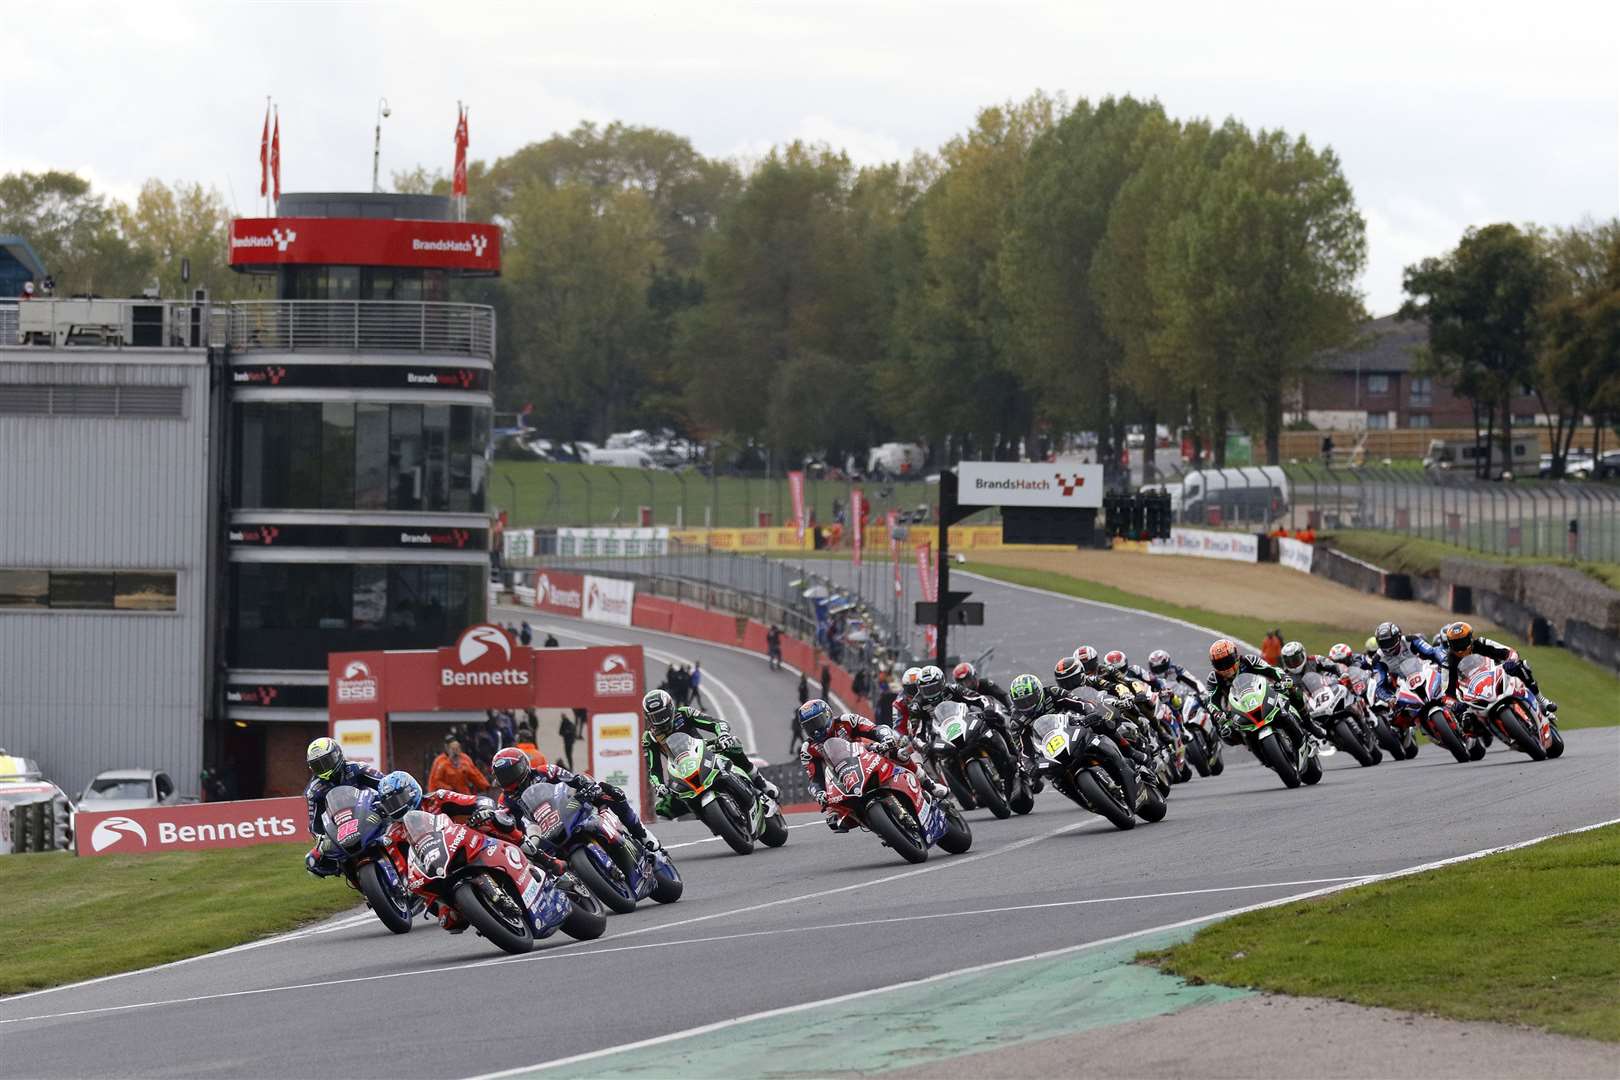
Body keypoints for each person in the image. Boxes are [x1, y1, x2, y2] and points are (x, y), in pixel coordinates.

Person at [370, 771, 564, 934]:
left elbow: (476, 801)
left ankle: (544, 859)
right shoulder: (393, 835)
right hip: (435, 868)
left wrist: (483, 809)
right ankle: (486, 915)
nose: (397, 807)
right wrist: (405, 886)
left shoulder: (437, 799)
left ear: (412, 791)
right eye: (390, 804)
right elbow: (402, 867)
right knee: (451, 922)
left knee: (494, 822)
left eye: (399, 799)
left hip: (467, 841)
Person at [796, 699, 945, 831]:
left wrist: (886, 738)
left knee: (898, 753)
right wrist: (820, 793)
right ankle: (881, 827)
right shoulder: (808, 749)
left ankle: (929, 785)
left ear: (828, 715)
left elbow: (874, 729)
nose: (816, 729)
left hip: (868, 754)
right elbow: (814, 778)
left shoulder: (847, 721)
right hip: (842, 777)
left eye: (818, 722)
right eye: (810, 726)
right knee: (835, 819)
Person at [488, 746, 660, 851]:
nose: (510, 778)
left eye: (512, 772)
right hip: (542, 832)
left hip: (568, 807)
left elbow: (574, 779)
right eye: (504, 776)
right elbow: (509, 826)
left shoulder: (545, 771)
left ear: (524, 765)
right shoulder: (505, 801)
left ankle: (643, 835)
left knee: (610, 792)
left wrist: (587, 787)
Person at [642, 689, 778, 816]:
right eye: (656, 717)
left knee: (733, 745)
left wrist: (723, 734)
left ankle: (761, 784)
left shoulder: (684, 713)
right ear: (648, 717)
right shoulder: (649, 737)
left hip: (704, 751)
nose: (661, 719)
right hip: (680, 768)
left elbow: (716, 723)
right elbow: (653, 768)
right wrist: (658, 785)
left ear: (671, 707)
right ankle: (707, 816)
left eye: (662, 714)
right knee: (663, 808)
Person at [302, 737, 386, 876]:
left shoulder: (358, 769)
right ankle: (361, 883)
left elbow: (384, 784)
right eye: (318, 765)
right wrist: (322, 840)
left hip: (370, 813)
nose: (324, 768)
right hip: (342, 828)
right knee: (313, 862)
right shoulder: (314, 791)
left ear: (337, 755)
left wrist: (384, 803)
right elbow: (314, 825)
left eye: (326, 762)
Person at [1203, 639, 1307, 748]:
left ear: (1235, 656)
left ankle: (1308, 723)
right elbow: (1211, 701)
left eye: (1227, 661)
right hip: (1238, 708)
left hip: (1263, 694)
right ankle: (1252, 745)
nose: (1225, 667)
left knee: (1293, 690)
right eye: (1219, 664)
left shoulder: (1249, 660)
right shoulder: (1213, 678)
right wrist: (1217, 713)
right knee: (1224, 731)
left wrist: (1283, 678)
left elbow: (1271, 669)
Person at [1437, 620, 1555, 712]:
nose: (1460, 647)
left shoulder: (1481, 643)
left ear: (1470, 638)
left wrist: (1511, 661)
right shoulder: (1448, 662)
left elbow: (1509, 652)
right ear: (1449, 644)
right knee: (1464, 718)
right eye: (1456, 644)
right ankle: (1471, 740)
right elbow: (1446, 694)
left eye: (1462, 642)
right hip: (1472, 691)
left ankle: (1542, 700)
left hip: (1495, 674)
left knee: (1522, 666)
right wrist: (1454, 704)